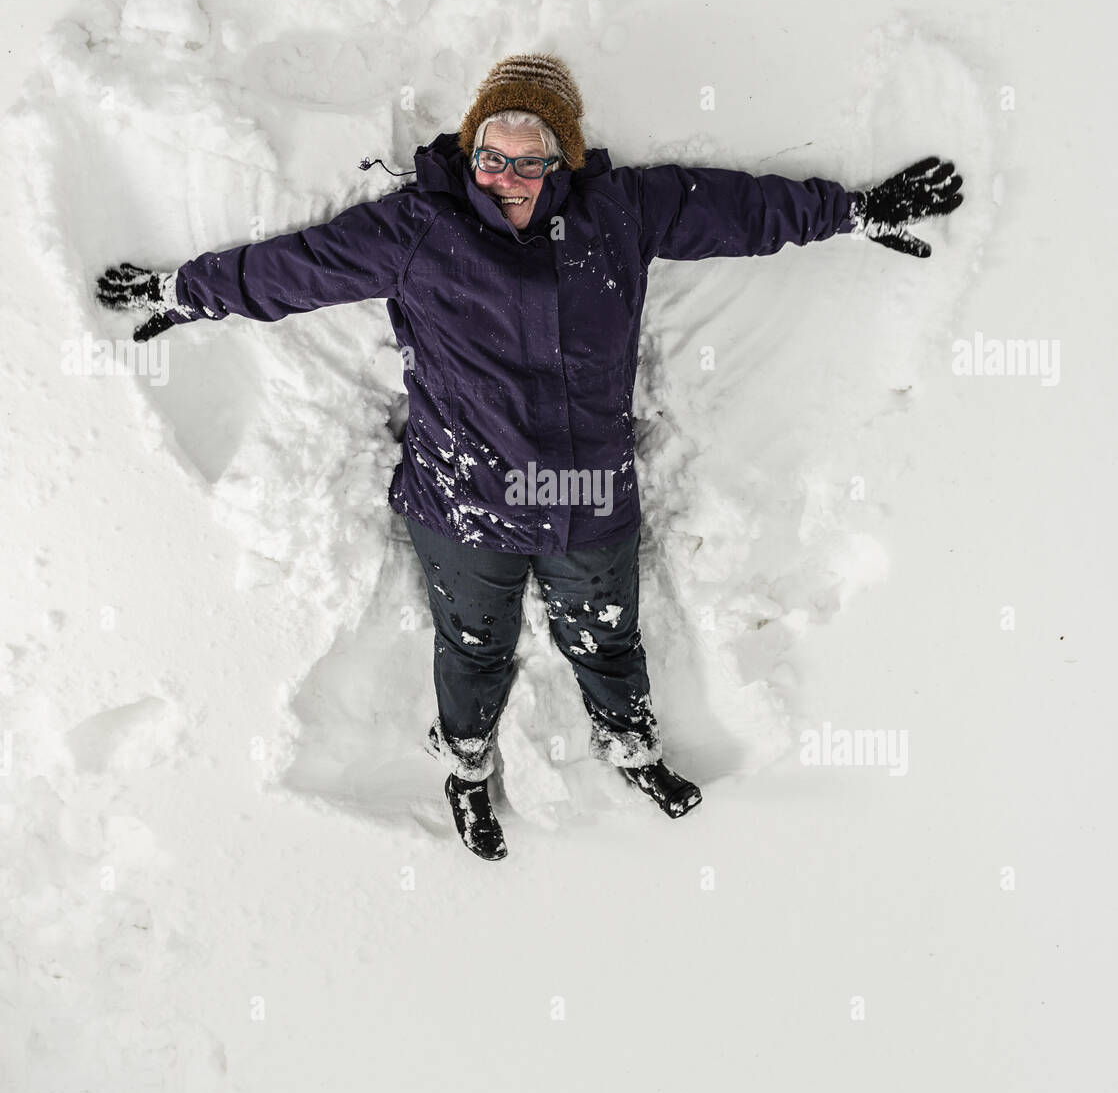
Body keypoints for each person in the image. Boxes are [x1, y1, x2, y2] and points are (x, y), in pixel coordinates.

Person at [97, 52, 964, 861]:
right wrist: (182, 293)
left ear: (564, 161)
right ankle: (468, 771)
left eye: (528, 160)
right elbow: (291, 271)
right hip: (462, 499)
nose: (506, 180)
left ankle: (632, 750)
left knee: (608, 642)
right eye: (490, 158)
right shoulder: (416, 230)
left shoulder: (619, 212)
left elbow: (741, 211)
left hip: (588, 496)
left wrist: (852, 211)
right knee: (474, 648)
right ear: (469, 152)